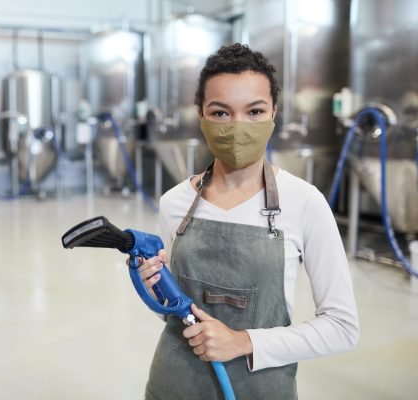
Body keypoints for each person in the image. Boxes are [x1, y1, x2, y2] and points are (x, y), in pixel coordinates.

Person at [137, 43, 360, 399]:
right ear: (201, 116)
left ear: (274, 112)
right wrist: (155, 288)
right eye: (221, 113)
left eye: (254, 111)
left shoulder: (304, 202)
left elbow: (342, 327)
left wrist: (243, 342)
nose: (238, 127)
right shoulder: (174, 202)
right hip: (173, 386)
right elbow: (173, 317)